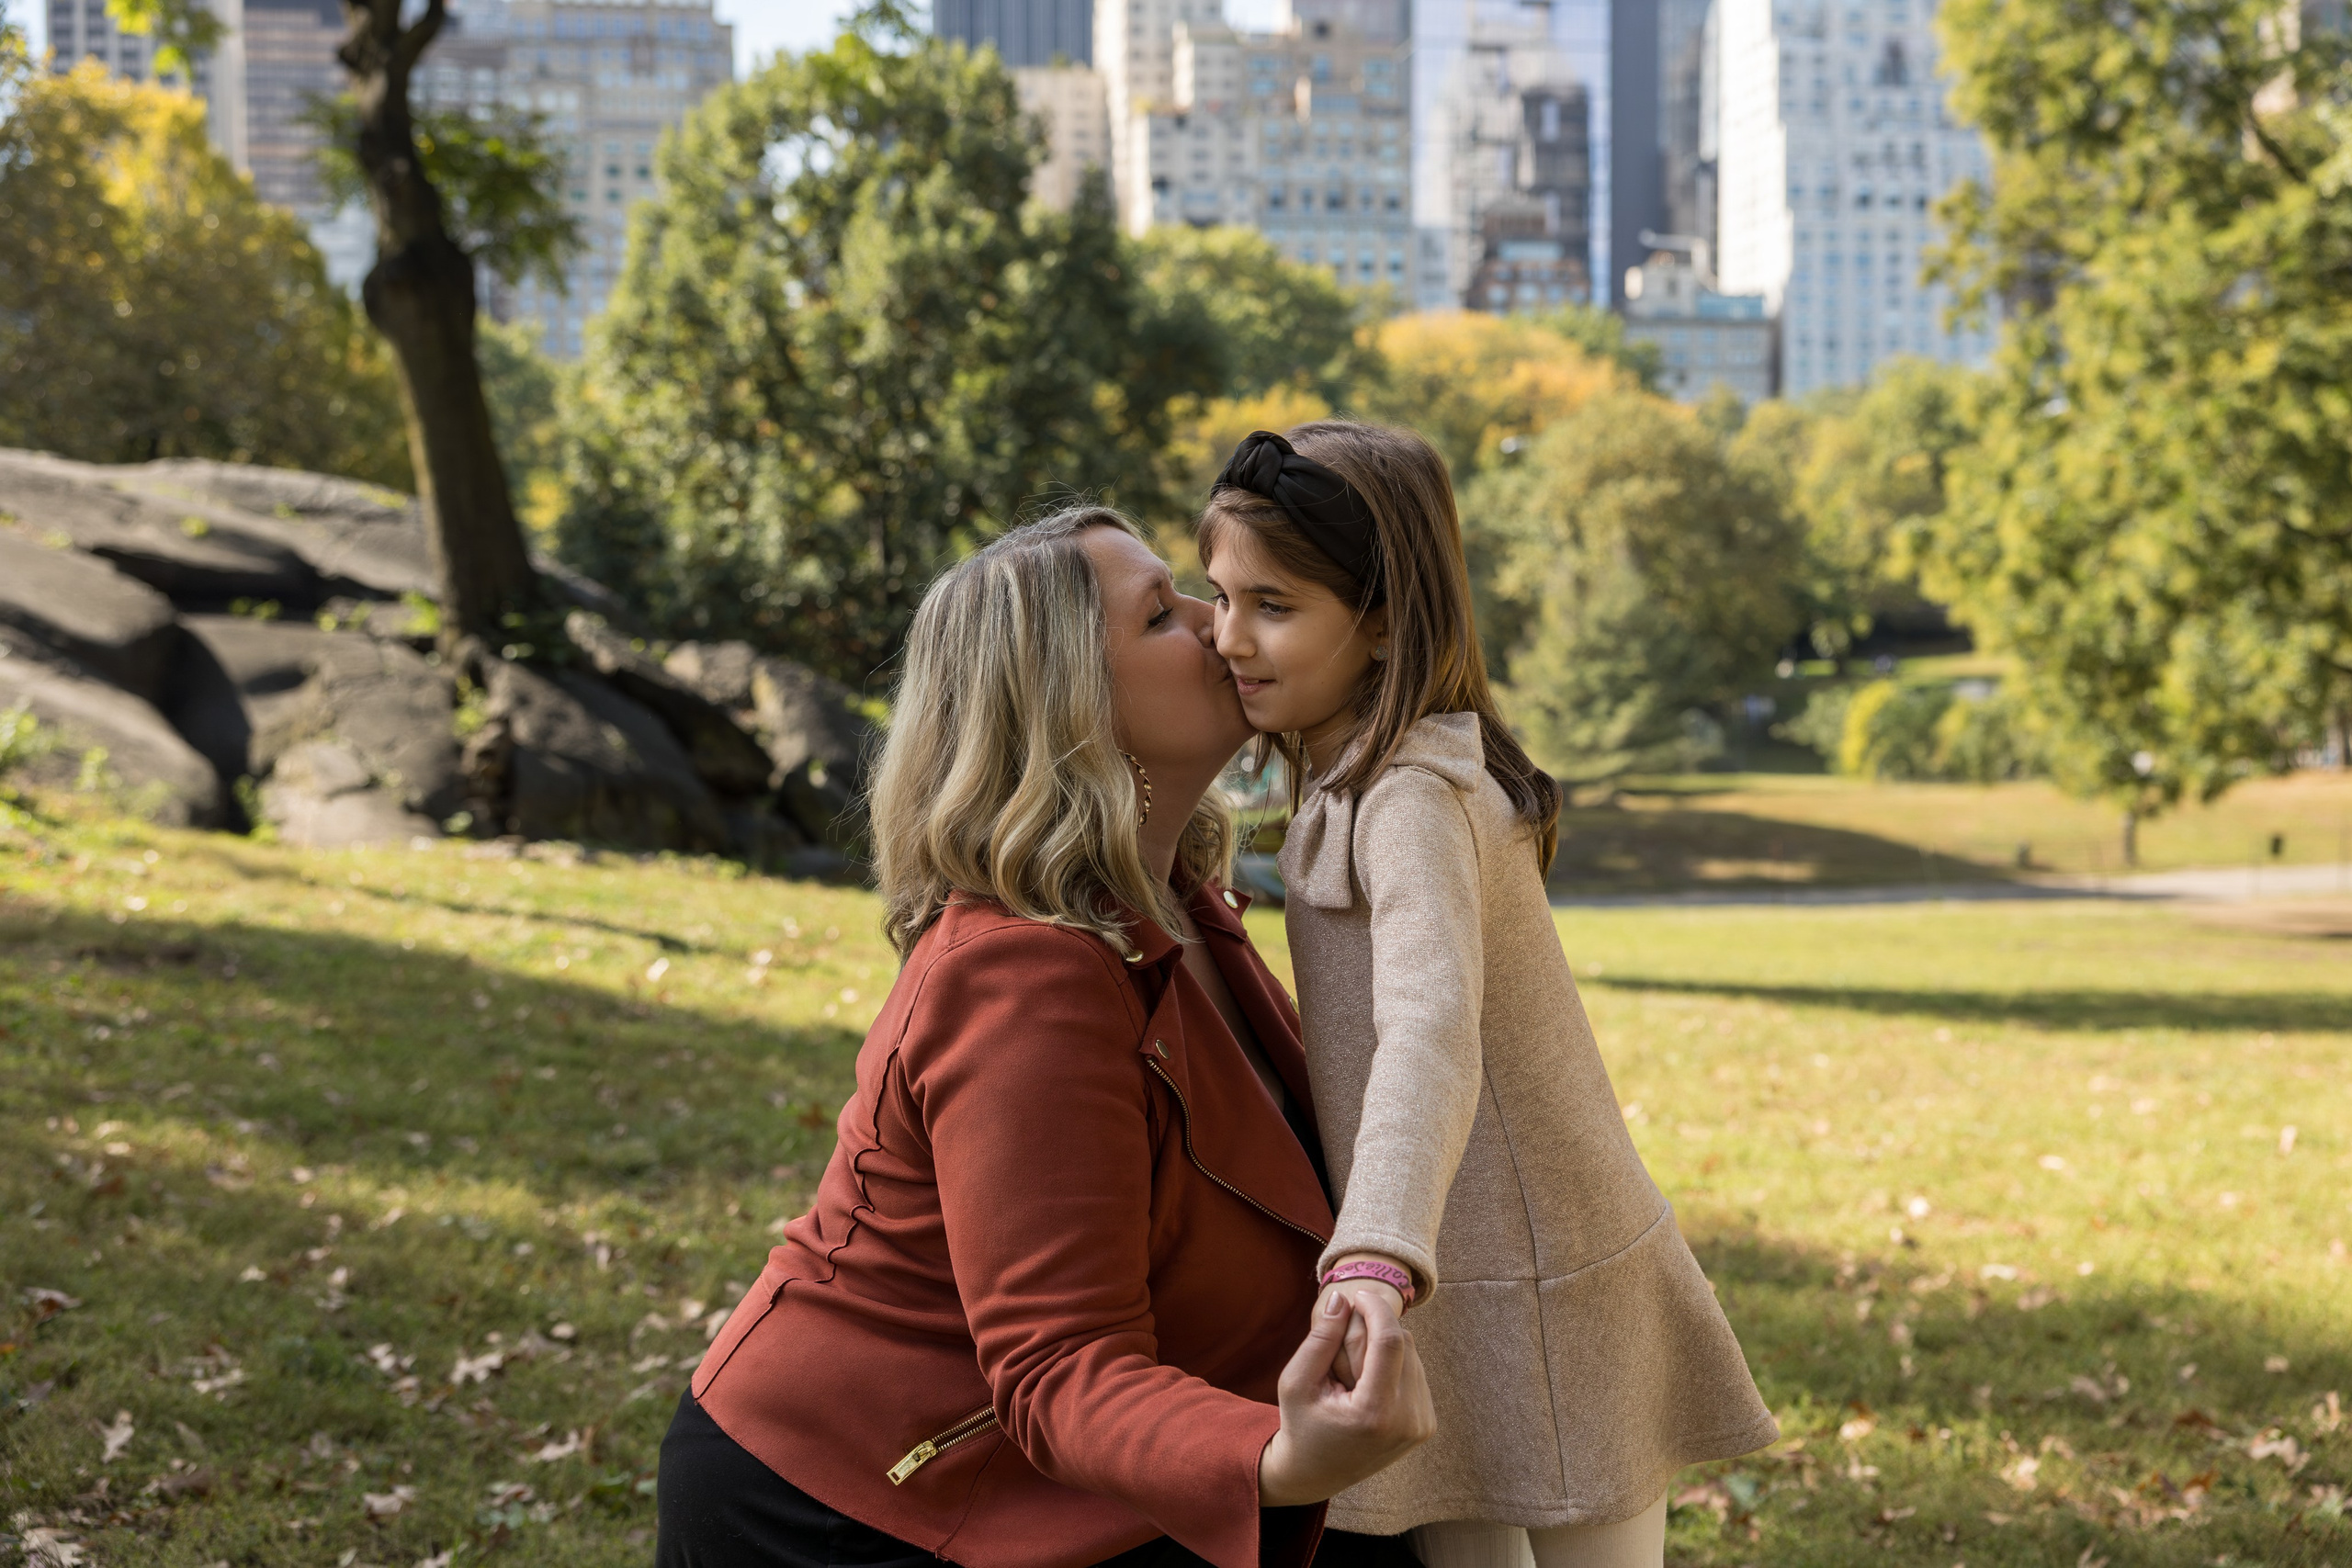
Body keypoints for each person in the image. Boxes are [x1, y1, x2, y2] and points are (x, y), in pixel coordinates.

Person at [656, 505, 1436, 1568]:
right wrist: (1283, 1455)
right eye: (1160, 614)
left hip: (1078, 1478)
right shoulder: (1025, 975)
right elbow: (1057, 1367)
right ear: (1069, 708)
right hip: (859, 1505)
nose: (1217, 624)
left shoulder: (1181, 909)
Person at [1200, 423, 1779, 1568]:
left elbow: (1428, 1024)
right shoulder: (1344, 775)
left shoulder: (1411, 797)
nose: (1228, 637)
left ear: (1381, 621)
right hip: (1441, 1270)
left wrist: (1370, 1250)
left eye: (1273, 605)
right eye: (1217, 597)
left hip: (1534, 1270)